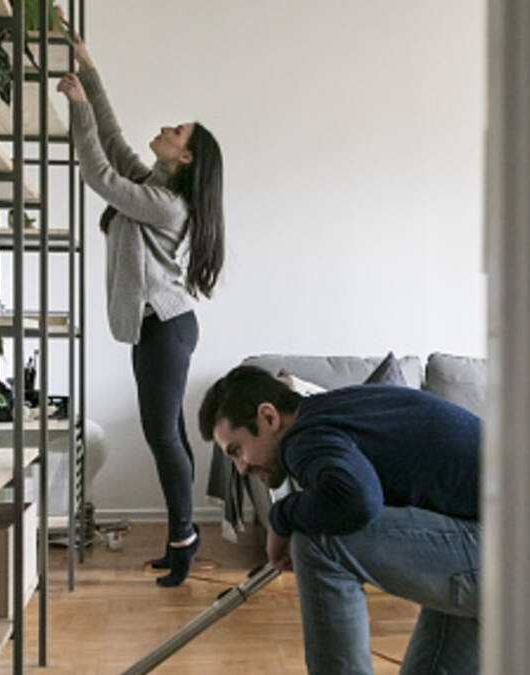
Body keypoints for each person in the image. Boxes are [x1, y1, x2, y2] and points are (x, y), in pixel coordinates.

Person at [58, 30, 225, 587]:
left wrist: (76, 105)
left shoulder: (167, 205)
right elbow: (110, 139)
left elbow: (98, 175)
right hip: (158, 328)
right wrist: (88, 70)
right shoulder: (152, 184)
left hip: (166, 329)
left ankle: (183, 539)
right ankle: (182, 536)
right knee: (167, 434)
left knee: (163, 437)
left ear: (186, 157)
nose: (165, 129)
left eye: (176, 132)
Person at [198, 366, 481, 674]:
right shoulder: (335, 412)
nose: (241, 468)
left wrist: (281, 517)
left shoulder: (303, 437)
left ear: (268, 417)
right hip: (500, 545)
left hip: (504, 549)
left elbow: (355, 500)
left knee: (318, 540)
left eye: (237, 451)